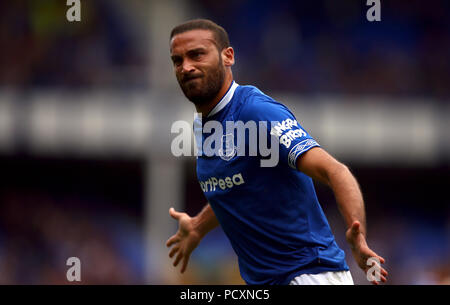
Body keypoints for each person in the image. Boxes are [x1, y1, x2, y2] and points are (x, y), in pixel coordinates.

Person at [166, 19, 388, 285]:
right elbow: (241, 185)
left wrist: (358, 234)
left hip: (308, 275)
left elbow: (334, 170)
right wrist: (198, 227)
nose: (186, 67)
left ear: (228, 56)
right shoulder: (205, 124)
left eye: (197, 54)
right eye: (177, 60)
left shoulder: (255, 112)